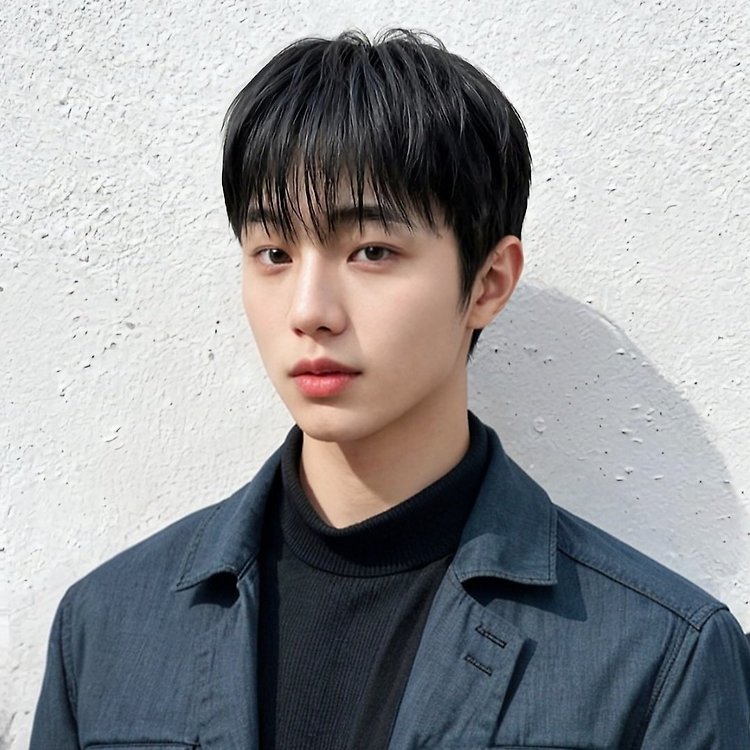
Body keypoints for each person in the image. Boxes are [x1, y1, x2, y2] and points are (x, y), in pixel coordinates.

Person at [31, 29, 750, 749]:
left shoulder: (659, 659)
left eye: (371, 251)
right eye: (274, 253)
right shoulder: (105, 628)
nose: (309, 311)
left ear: (488, 283)